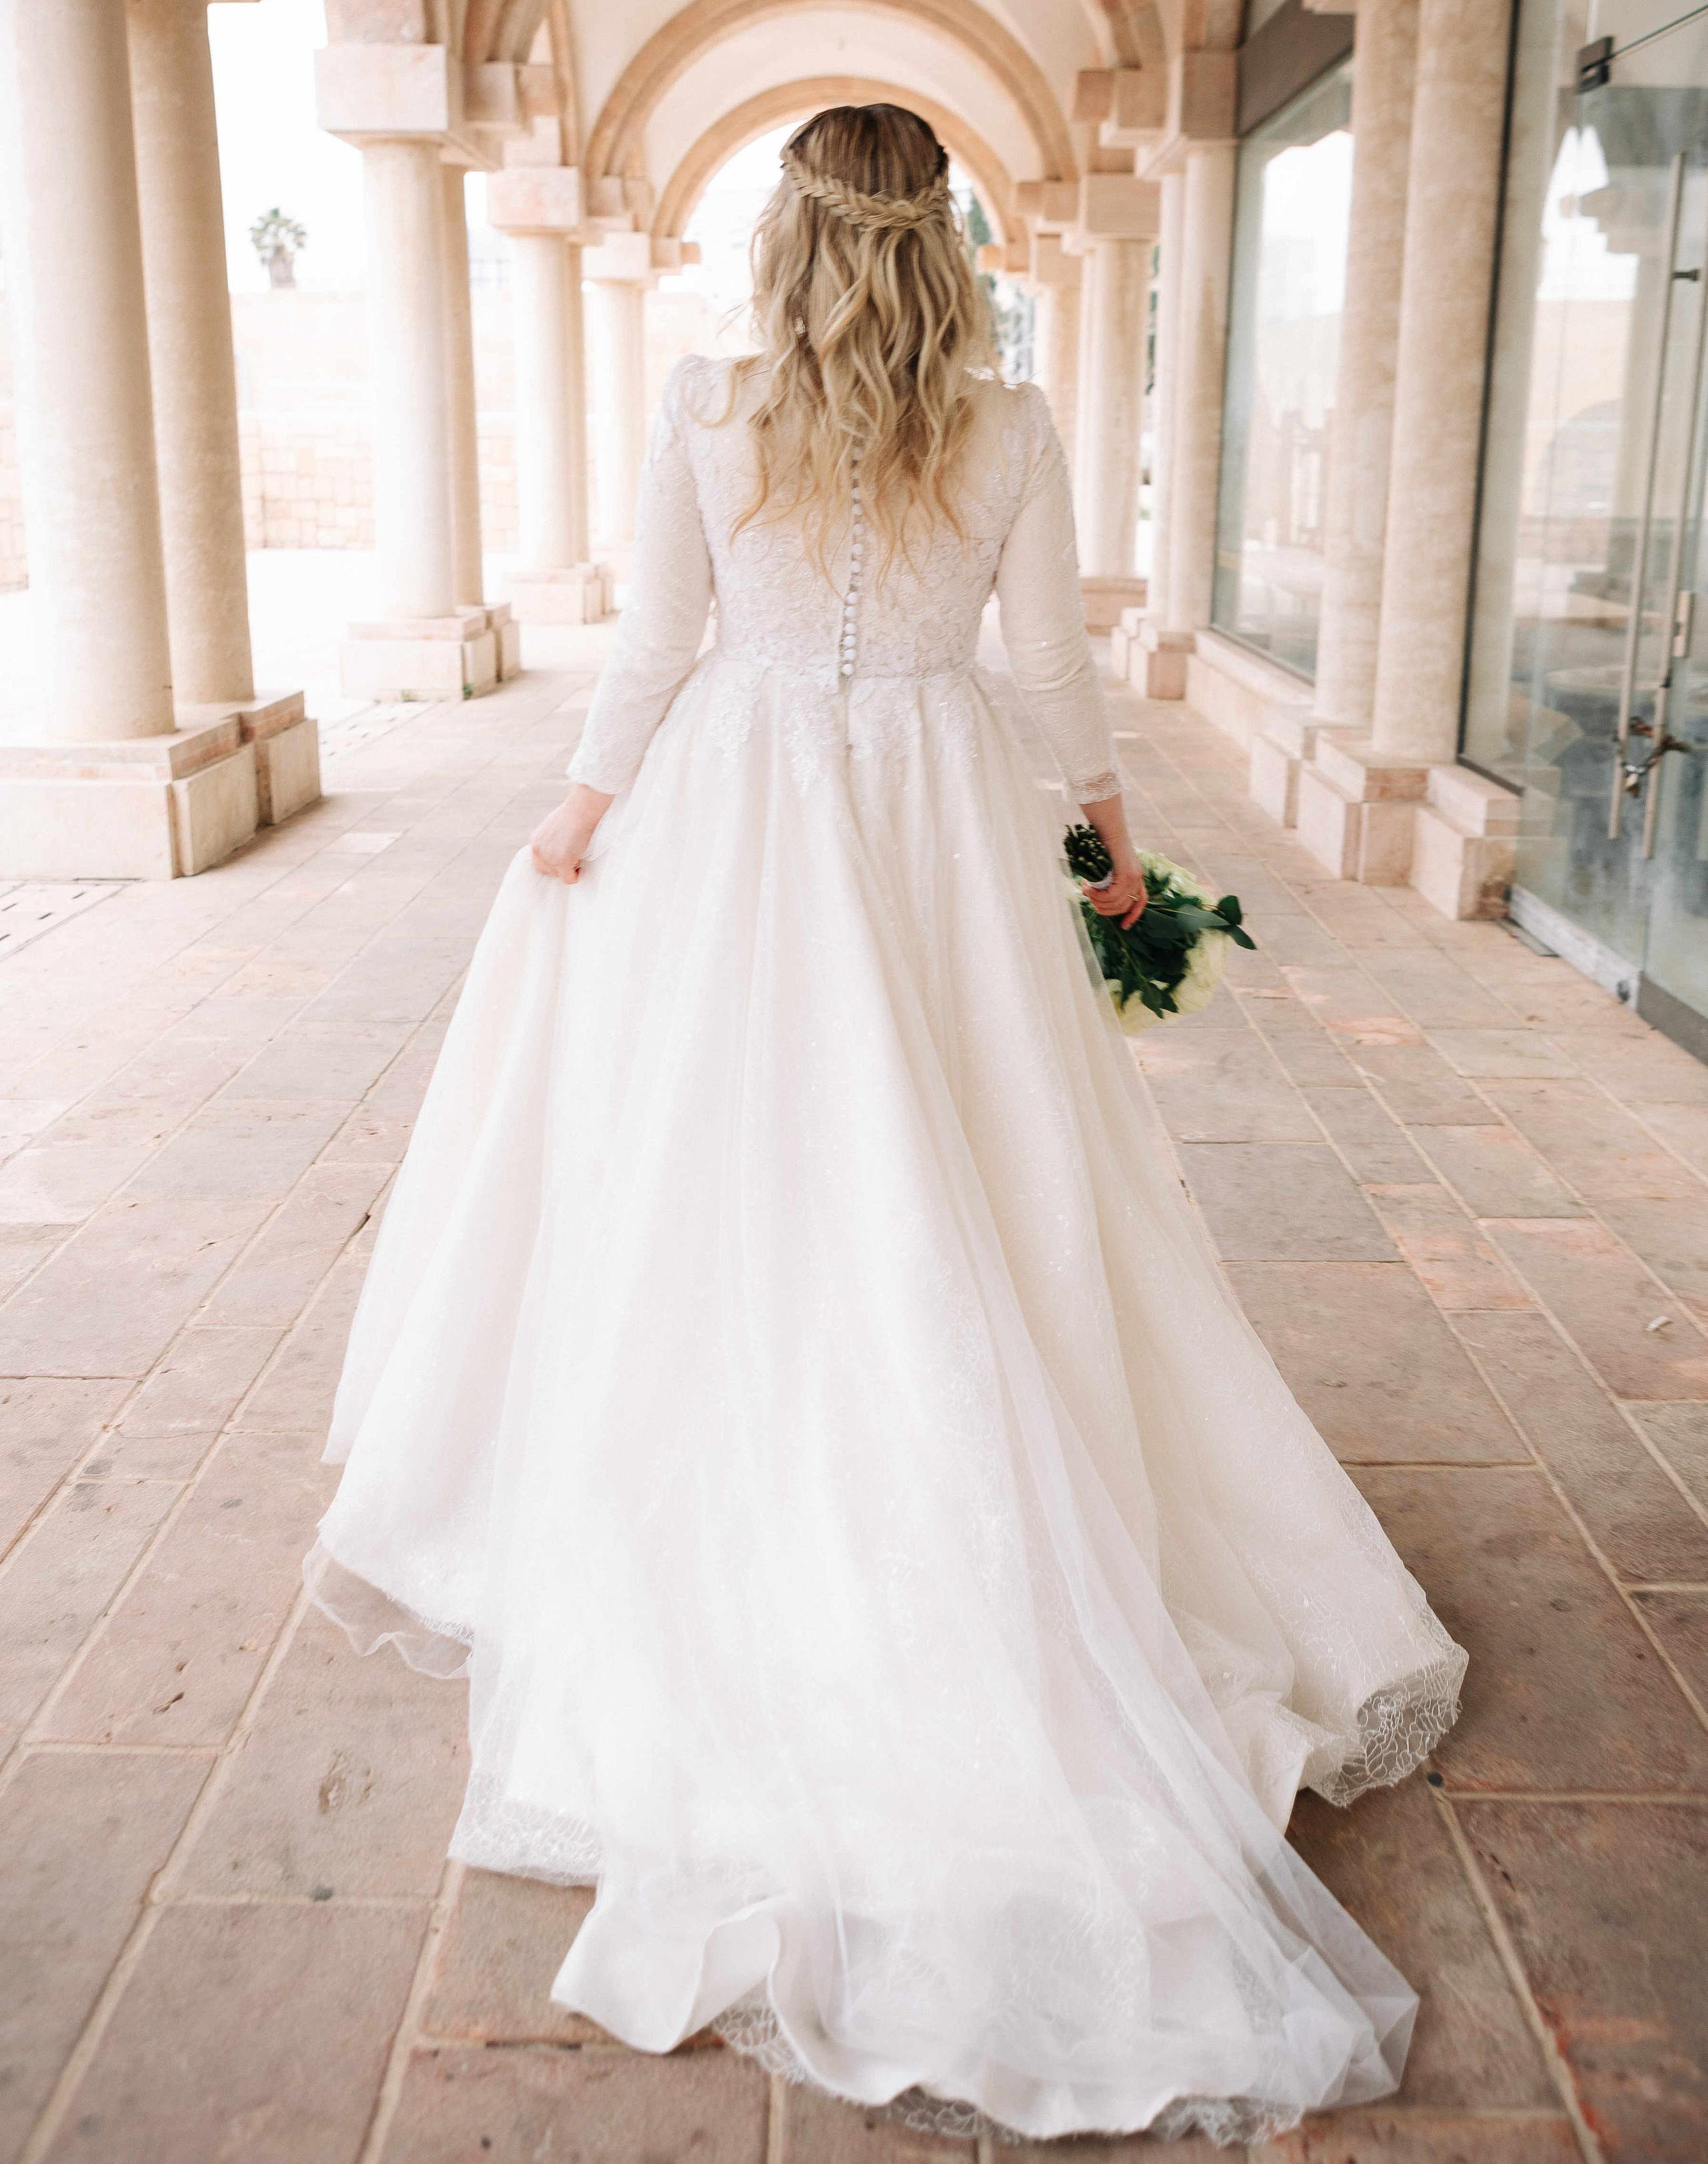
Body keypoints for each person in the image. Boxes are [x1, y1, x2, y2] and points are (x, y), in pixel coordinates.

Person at [308, 103, 1464, 2145]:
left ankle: (777, 1483)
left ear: (787, 235)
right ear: (943, 240)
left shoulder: (707, 404)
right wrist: (1113, 852)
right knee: (987, 1181)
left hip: (738, 832)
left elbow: (657, 655)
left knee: (728, 1187)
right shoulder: (1007, 426)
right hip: (936, 835)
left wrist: (578, 823)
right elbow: (1044, 677)